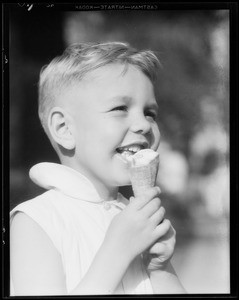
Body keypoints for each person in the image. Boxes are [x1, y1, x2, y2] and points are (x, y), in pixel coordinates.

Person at [10, 42, 186, 295]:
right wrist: (118, 250)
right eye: (120, 109)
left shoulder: (135, 217)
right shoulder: (36, 221)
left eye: (150, 113)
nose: (144, 125)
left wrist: (161, 268)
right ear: (64, 129)